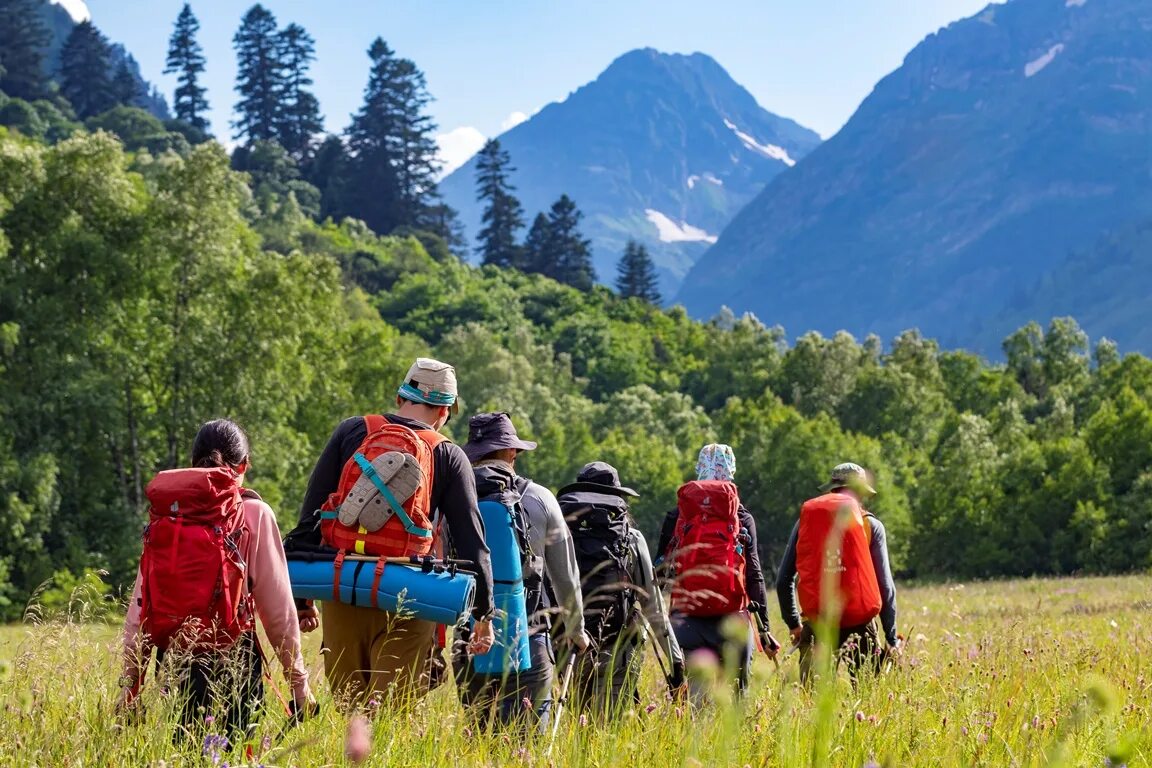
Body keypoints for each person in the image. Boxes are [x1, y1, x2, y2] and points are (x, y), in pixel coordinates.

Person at [286, 358, 495, 705]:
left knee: (350, 709)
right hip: (410, 593)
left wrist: (302, 600)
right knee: (390, 714)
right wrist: (483, 616)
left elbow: (311, 518)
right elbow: (473, 544)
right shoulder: (449, 455)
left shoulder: (351, 431)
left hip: (343, 587)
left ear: (401, 397)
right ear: (445, 411)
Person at [118, 419, 315, 737]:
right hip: (234, 660)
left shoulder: (168, 515)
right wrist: (299, 684)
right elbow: (278, 611)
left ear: (192, 464)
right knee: (233, 755)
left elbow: (140, 610)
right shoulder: (254, 514)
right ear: (245, 465)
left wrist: (129, 689)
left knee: (186, 754)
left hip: (174, 659)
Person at [453, 412, 591, 730]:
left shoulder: (453, 498)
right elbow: (565, 575)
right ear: (512, 452)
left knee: (480, 739)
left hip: (470, 641)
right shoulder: (540, 499)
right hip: (528, 638)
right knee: (527, 744)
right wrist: (575, 628)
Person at [558, 462, 684, 719]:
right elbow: (653, 605)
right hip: (619, 651)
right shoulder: (631, 538)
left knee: (577, 727)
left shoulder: (562, 534)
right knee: (609, 729)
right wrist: (675, 662)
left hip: (571, 649)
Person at [657, 444, 778, 699]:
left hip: (686, 620)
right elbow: (754, 573)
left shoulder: (678, 515)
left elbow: (661, 568)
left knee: (693, 707)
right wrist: (764, 628)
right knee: (733, 709)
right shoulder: (741, 517)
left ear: (699, 468)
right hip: (733, 622)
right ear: (732, 470)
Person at [775, 462, 899, 683]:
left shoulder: (805, 521)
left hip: (817, 624)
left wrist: (794, 624)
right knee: (868, 700)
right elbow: (885, 586)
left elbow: (784, 579)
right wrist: (891, 637)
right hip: (860, 626)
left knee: (810, 707)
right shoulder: (871, 525)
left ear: (832, 488)